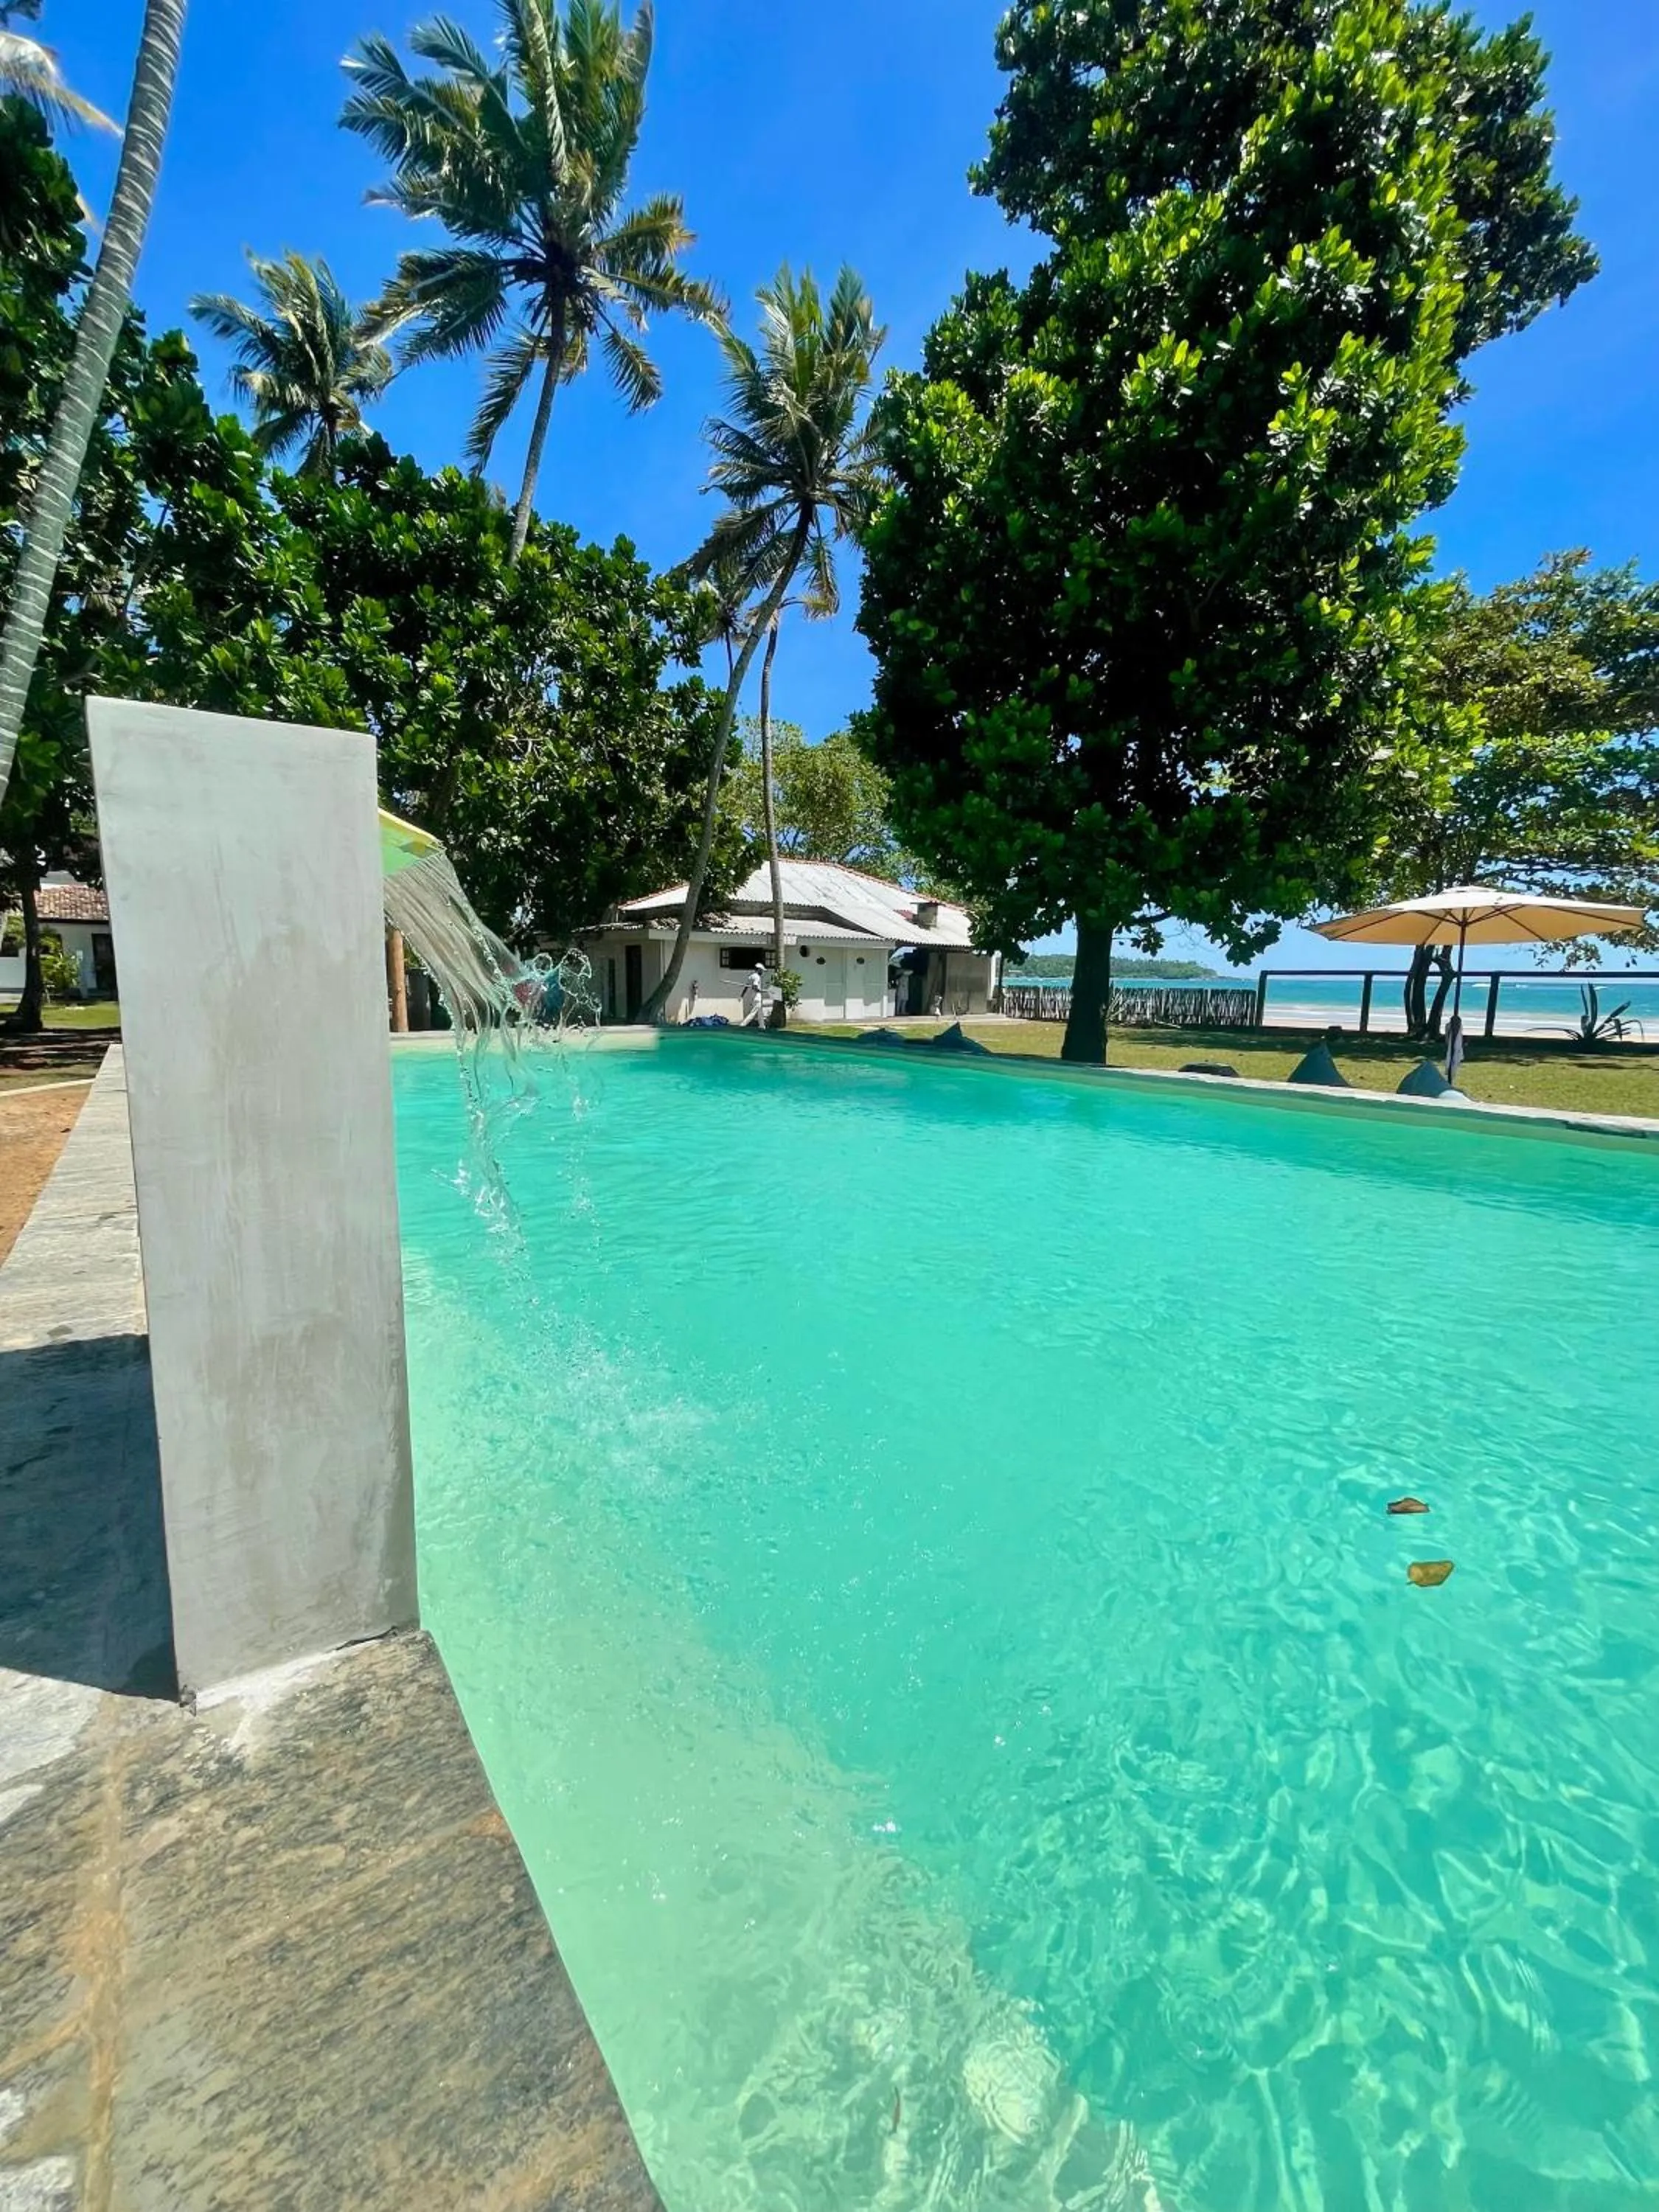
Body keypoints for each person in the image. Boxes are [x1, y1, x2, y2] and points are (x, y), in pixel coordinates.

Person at [741, 962, 770, 1026]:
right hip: (757, 997)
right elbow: (755, 987)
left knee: (760, 1013)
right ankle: (742, 1025)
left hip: (753, 997)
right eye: (762, 971)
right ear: (759, 970)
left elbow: (746, 987)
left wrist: (742, 995)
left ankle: (762, 1026)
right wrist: (761, 991)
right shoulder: (757, 977)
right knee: (753, 1013)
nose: (762, 972)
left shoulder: (751, 976)